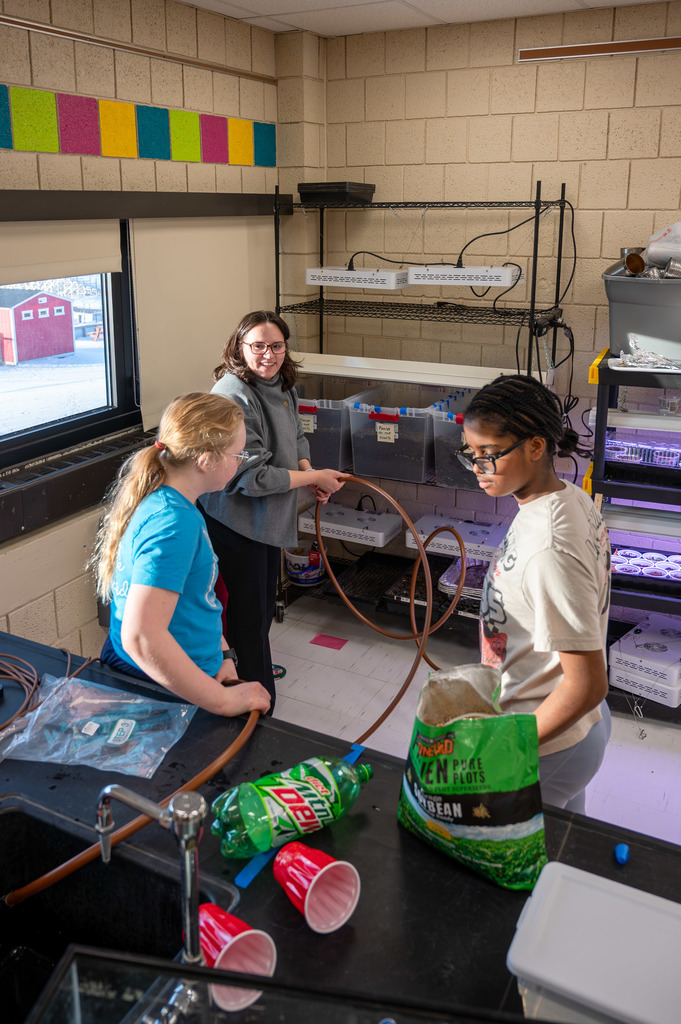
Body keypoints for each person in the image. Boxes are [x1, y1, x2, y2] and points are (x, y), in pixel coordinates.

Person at [459, 374, 612, 813]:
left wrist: (503, 744)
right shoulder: (566, 497)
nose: (477, 468)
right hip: (566, 725)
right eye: (471, 453)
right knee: (560, 847)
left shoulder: (550, 547)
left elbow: (587, 685)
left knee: (511, 856)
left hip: (549, 738)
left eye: (489, 455)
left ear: (536, 446)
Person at [199, 310, 349, 710]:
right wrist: (314, 478)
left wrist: (310, 472)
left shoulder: (281, 384)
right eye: (258, 346)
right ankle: (254, 706)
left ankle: (252, 687)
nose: (268, 355)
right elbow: (253, 478)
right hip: (236, 522)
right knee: (247, 617)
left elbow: (296, 436)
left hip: (266, 520)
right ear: (239, 347)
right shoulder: (232, 396)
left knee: (263, 608)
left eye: (276, 345)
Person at [91, 392, 271, 718]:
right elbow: (141, 636)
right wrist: (223, 700)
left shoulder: (175, 502)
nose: (240, 462)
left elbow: (195, 601)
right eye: (238, 454)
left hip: (188, 671)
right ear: (205, 460)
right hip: (164, 686)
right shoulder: (173, 523)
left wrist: (223, 655)